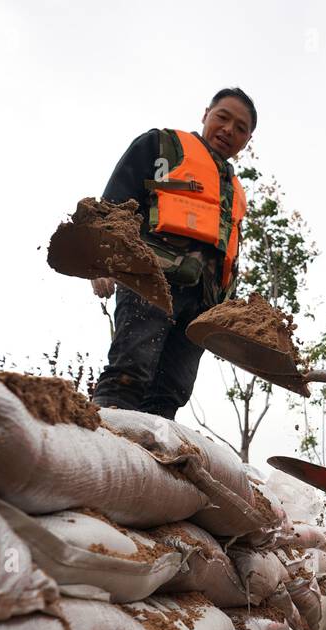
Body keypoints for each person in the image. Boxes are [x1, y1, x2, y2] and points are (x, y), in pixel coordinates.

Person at [90, 88, 256, 419]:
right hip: (152, 280)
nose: (228, 131)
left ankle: (150, 460)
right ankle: (105, 440)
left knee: (172, 390)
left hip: (202, 305)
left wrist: (227, 316)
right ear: (206, 113)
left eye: (241, 128)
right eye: (223, 117)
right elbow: (117, 200)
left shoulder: (235, 192)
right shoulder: (163, 146)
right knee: (130, 369)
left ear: (247, 140)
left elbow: (228, 257)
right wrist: (101, 259)